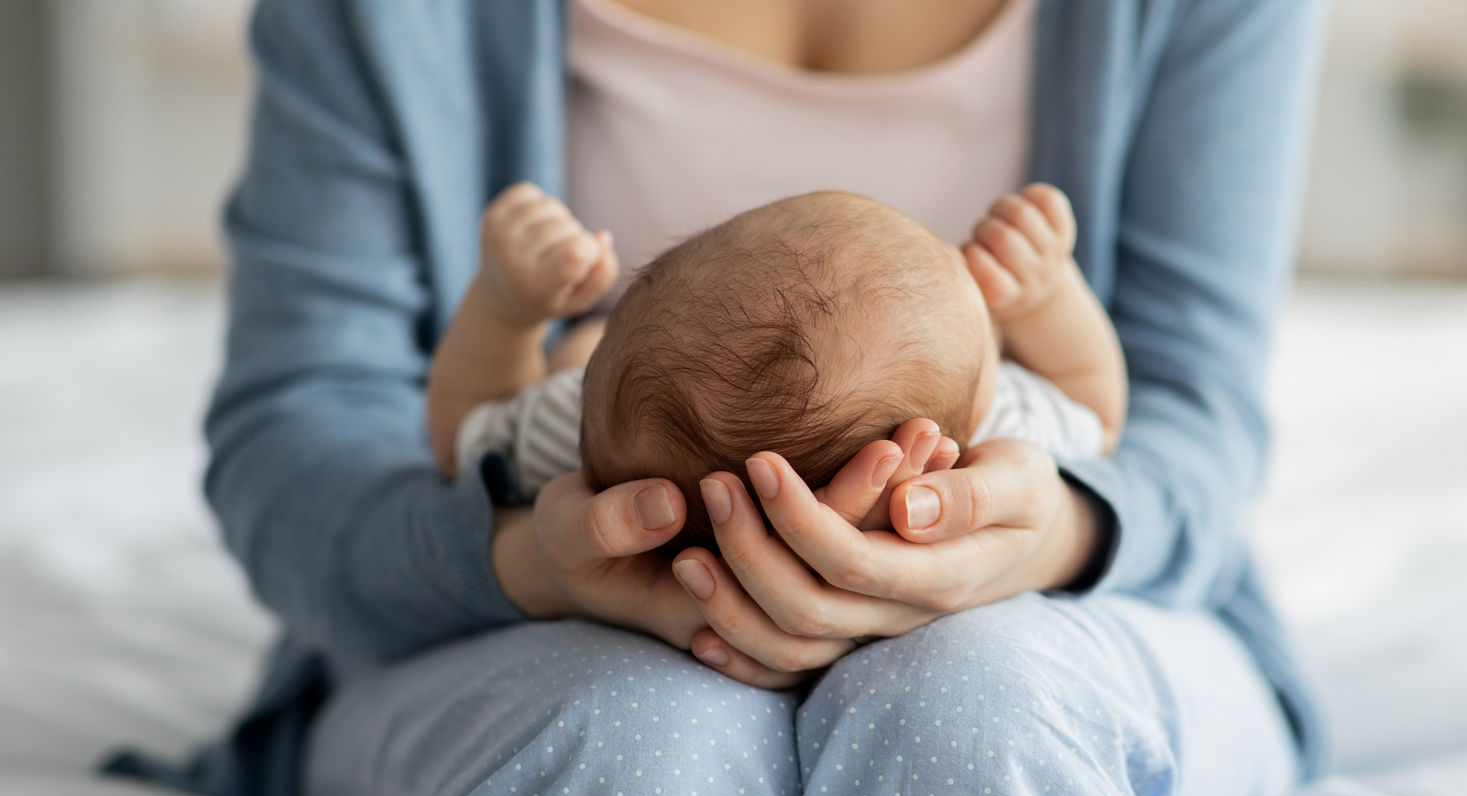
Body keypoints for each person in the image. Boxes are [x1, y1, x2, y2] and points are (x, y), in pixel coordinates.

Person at [117, 0, 1327, 796]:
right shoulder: (571, 424)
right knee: (636, 742)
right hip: (544, 624)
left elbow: (1180, 416)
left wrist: (1050, 530)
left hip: (1052, 613)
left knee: (980, 708)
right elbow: (306, 440)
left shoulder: (569, 409)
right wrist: (530, 563)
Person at [426, 187, 1124, 549]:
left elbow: (462, 434)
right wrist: (1046, 296)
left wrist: (507, 309)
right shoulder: (996, 444)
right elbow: (1096, 408)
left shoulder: (576, 441)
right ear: (960, 429)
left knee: (578, 352)